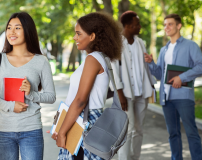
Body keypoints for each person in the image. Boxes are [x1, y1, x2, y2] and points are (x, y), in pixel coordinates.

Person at [0, 12, 56, 160]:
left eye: (17, 28)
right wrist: (10, 106)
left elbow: (51, 96)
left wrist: (31, 93)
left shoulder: (41, 61)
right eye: (9, 27)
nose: (11, 32)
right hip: (2, 130)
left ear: (28, 30)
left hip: (31, 129)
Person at [51, 12, 122, 160]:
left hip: (84, 122)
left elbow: (80, 101)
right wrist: (61, 126)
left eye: (78, 33)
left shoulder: (93, 59)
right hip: (82, 120)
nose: (74, 37)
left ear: (92, 36)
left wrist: (62, 132)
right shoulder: (101, 58)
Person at [144, 14, 202, 160]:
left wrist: (181, 77)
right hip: (166, 98)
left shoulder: (190, 45)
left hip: (183, 97)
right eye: (164, 25)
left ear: (179, 26)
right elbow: (160, 74)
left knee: (191, 132)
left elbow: (200, 66)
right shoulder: (164, 50)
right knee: (173, 134)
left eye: (170, 24)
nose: (166, 27)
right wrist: (151, 63)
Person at [110, 11, 156, 160]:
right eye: (137, 24)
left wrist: (151, 87)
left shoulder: (140, 42)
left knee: (138, 129)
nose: (140, 27)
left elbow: (145, 67)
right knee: (127, 130)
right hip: (126, 94)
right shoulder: (116, 42)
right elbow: (114, 70)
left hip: (141, 92)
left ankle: (135, 157)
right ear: (128, 26)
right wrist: (119, 93)